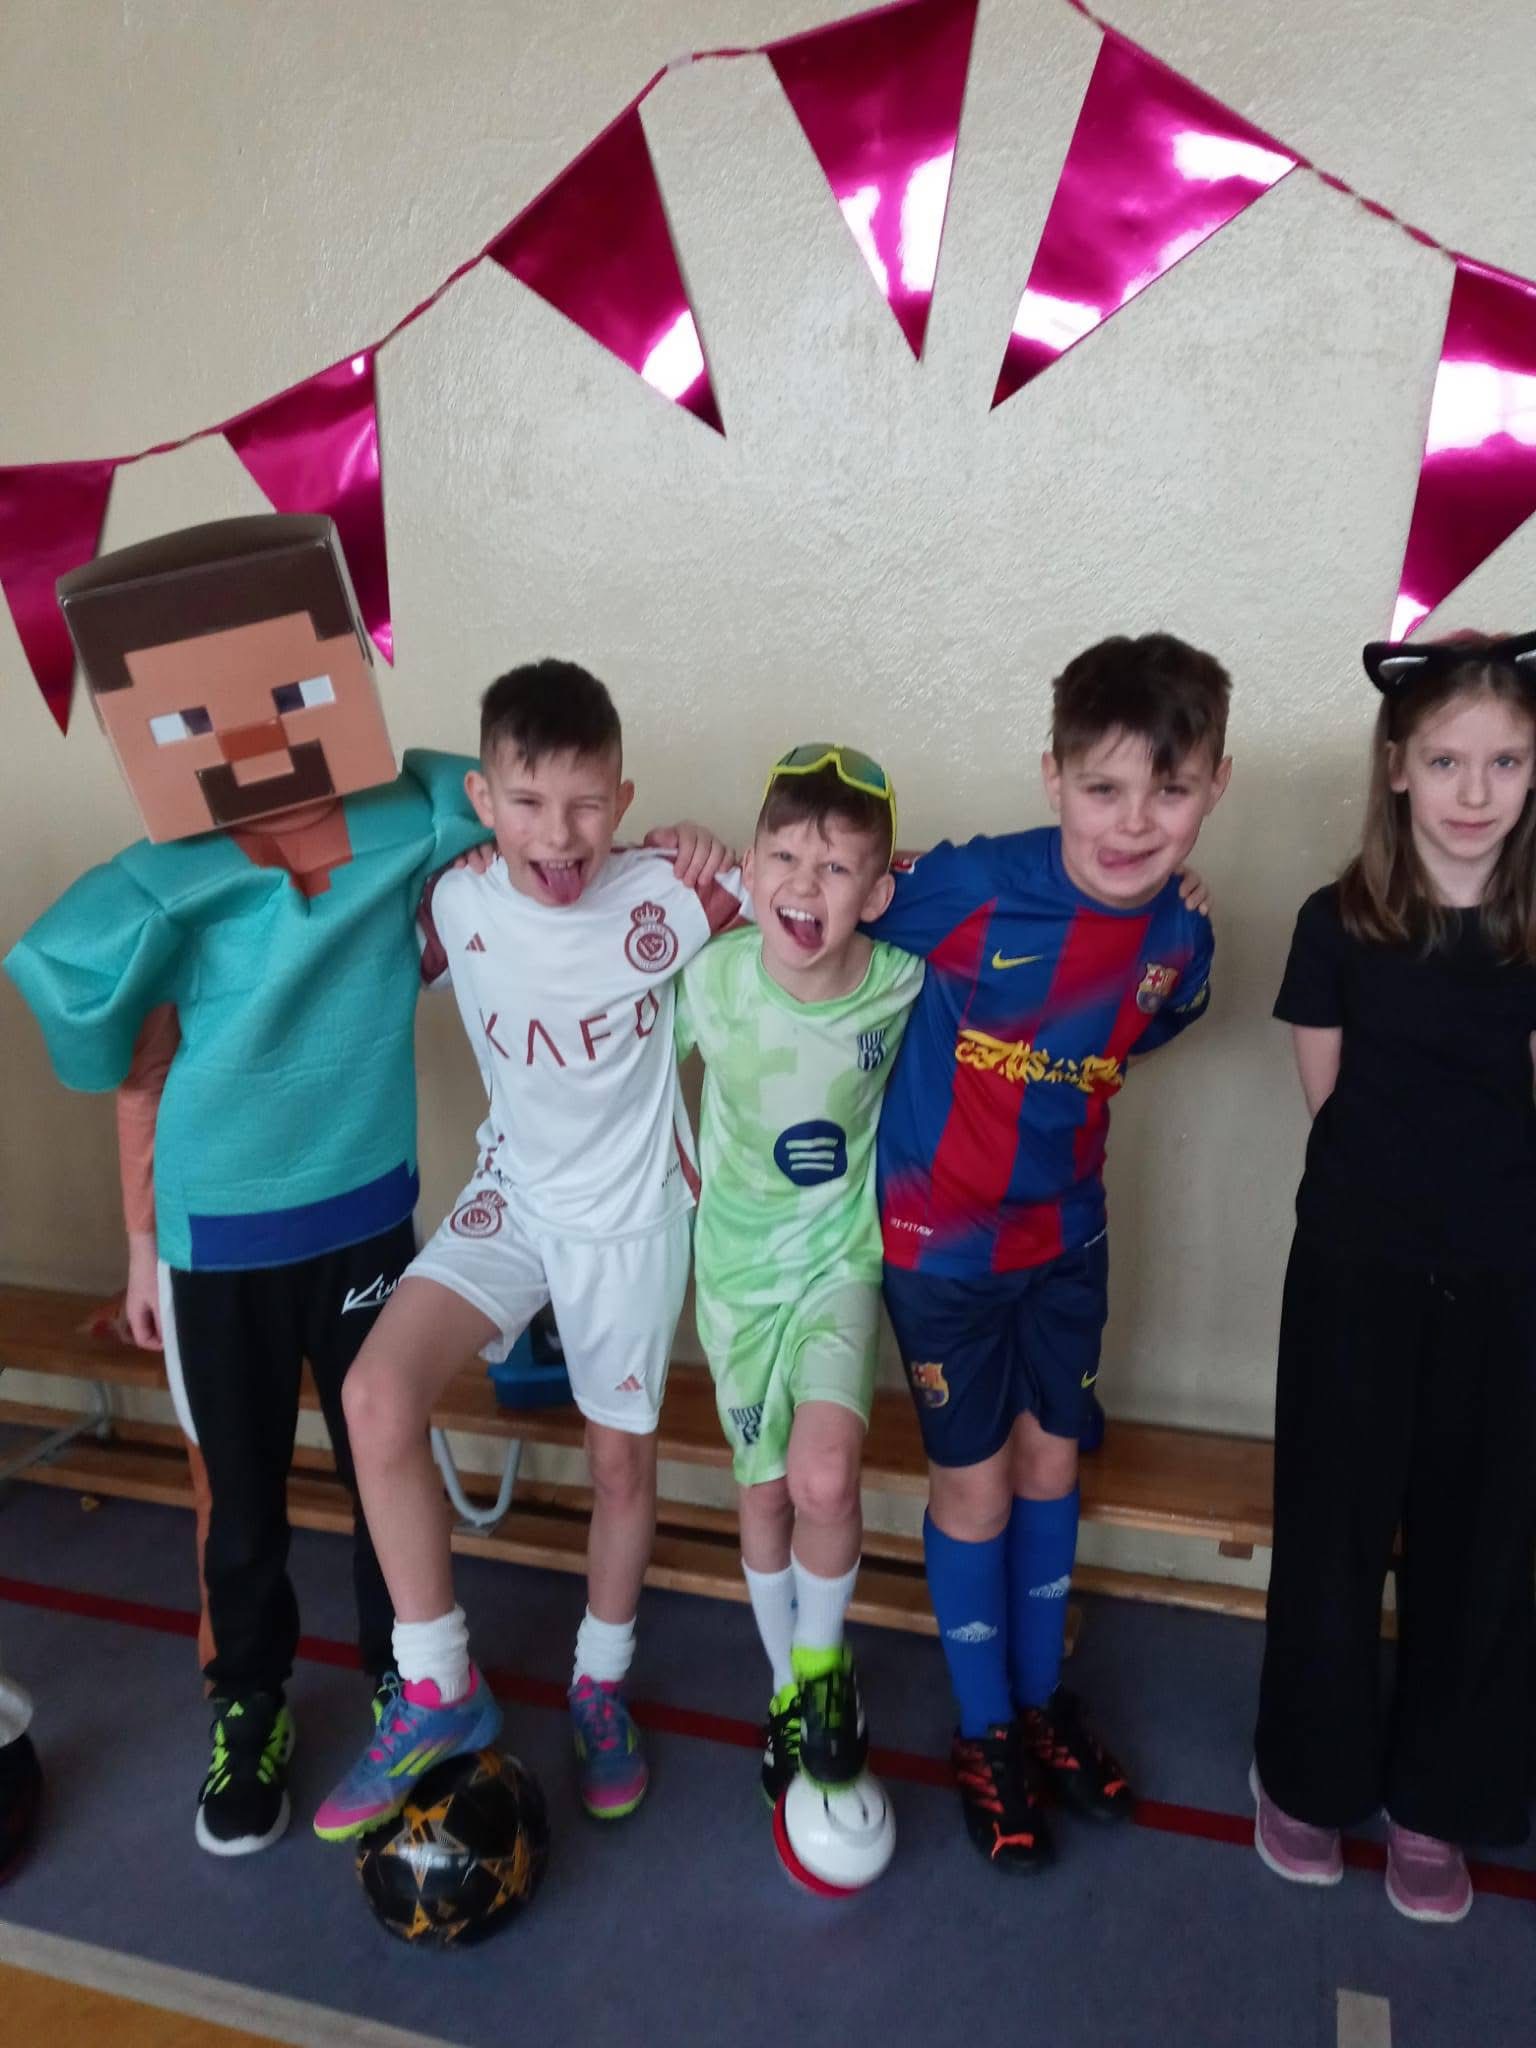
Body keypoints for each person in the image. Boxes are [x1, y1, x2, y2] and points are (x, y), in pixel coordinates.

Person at [4, 515, 490, 1858]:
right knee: (242, 1497)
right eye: (195, 718)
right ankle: (252, 1704)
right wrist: (142, 1251)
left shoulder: (408, 821)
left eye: (288, 691)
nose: (256, 733)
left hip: (364, 1215)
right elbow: (128, 1064)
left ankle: (409, 1680)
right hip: (217, 1235)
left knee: (385, 1460)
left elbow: (524, 804)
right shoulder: (166, 886)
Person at [315, 659, 735, 1839]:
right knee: (375, 1395)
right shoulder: (455, 900)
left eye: (588, 802)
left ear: (624, 798)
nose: (560, 833)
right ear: (484, 799)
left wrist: (711, 850)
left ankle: (599, 1680)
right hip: (511, 1198)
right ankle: (438, 1683)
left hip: (629, 1222)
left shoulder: (673, 890)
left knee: (617, 1467)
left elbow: (836, 888)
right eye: (530, 801)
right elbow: (340, 955)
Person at [871, 633, 1231, 1871]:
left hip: (1070, 1241)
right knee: (974, 1487)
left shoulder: (1183, 941)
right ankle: (984, 1729)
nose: (1133, 822)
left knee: (1052, 1462)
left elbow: (1151, 1020)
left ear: (1215, 787)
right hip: (942, 1254)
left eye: (1169, 791)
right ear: (1053, 777)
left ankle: (1037, 1703)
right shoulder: (966, 885)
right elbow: (814, 896)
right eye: (1103, 787)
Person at [1252, 629, 1536, 1925]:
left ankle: (1440, 1799)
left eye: (1506, 762)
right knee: (1333, 1528)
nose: (1476, 790)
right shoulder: (1338, 925)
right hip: (1357, 1274)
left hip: (1503, 1282)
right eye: (1449, 760)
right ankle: (1306, 1776)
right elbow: (1335, 1102)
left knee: (1481, 1544)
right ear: (1400, 768)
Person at [674, 744, 924, 1803]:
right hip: (735, 1281)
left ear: (877, 890)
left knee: (825, 1477)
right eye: (783, 857)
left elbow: (1016, 919)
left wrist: (1165, 903)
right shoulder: (711, 977)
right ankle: (787, 1685)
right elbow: (619, 1064)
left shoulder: (900, 980)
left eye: (835, 868)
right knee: (768, 1491)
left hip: (837, 1263)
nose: (804, 885)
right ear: (750, 865)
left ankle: (824, 1669)